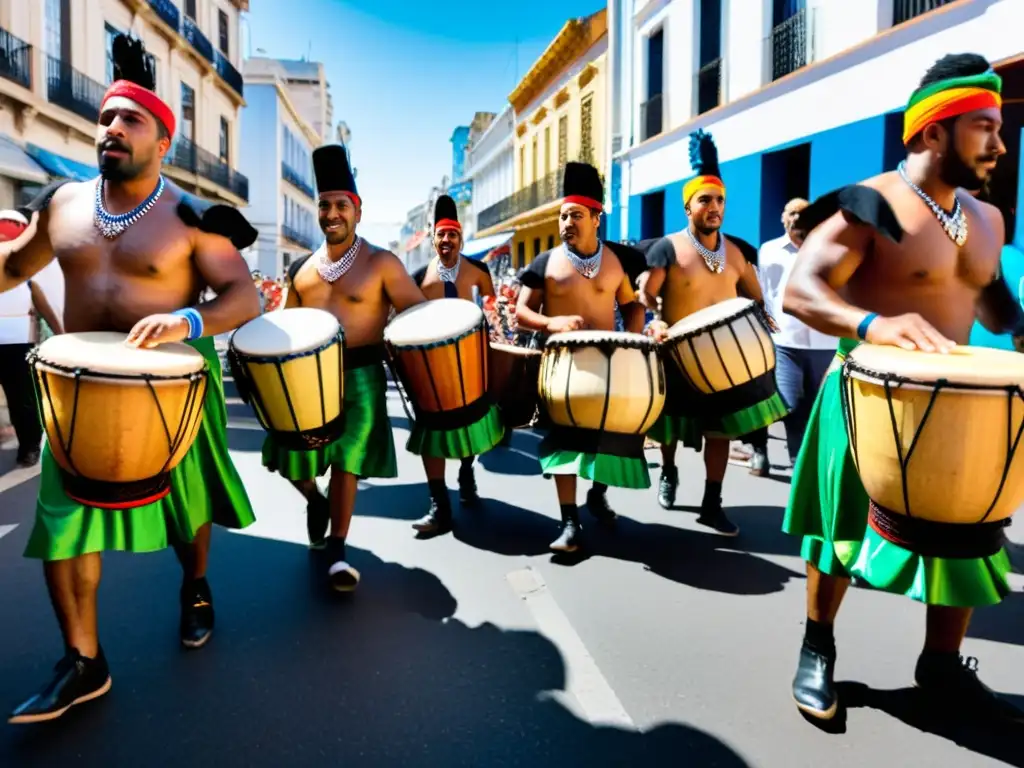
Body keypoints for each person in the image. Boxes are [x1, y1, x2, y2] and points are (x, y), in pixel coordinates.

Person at [0, 35, 261, 724]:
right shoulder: (60, 205)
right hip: (79, 385)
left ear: (163, 142)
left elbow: (243, 297)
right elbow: (10, 270)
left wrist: (188, 322)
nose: (111, 127)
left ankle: (195, 583)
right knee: (63, 524)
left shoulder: (192, 217)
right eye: (107, 117)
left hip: (173, 383)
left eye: (130, 119)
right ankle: (84, 660)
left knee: (187, 507)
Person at [782, 53, 1023, 723]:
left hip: (959, 404)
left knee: (971, 527)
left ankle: (940, 665)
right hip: (865, 394)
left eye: (998, 128)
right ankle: (817, 647)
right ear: (930, 133)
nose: (1000, 145)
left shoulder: (988, 218)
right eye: (983, 127)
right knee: (836, 535)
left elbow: (991, 300)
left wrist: (1021, 327)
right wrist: (871, 323)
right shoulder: (870, 204)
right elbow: (801, 291)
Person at [262, 144, 425, 588]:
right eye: (325, 206)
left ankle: (337, 547)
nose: (331, 213)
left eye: (341, 206)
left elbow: (419, 315)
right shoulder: (301, 269)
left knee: (346, 461)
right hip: (307, 380)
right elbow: (282, 326)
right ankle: (314, 500)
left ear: (357, 211)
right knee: (290, 459)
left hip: (362, 376)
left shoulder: (383, 263)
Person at [641, 130, 784, 535]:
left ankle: (712, 501)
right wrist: (657, 320)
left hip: (723, 357)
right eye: (705, 200)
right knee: (669, 427)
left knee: (719, 432)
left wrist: (765, 316)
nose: (714, 207)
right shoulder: (667, 248)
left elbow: (756, 296)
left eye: (719, 200)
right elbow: (646, 295)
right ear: (688, 206)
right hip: (677, 355)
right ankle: (668, 472)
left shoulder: (738, 251)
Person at [515, 162, 647, 553]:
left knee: (612, 434)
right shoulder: (545, 264)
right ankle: (569, 521)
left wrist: (633, 339)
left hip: (610, 363)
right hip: (563, 369)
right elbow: (522, 312)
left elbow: (632, 306)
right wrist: (551, 322)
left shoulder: (618, 262)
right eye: (562, 215)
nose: (565, 223)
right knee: (566, 441)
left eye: (574, 215)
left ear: (595, 217)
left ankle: (598, 493)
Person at [407, 195, 503, 535]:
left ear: (461, 238)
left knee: (469, 426)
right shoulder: (420, 277)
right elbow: (407, 320)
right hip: (433, 368)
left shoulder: (479, 271)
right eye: (441, 235)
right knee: (430, 431)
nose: (446, 241)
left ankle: (466, 469)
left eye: (452, 235)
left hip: (473, 363)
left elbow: (493, 310)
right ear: (433, 238)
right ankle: (439, 503)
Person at [756, 198, 837, 466]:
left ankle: (808, 464)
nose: (796, 218)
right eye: (791, 212)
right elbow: (766, 293)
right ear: (782, 217)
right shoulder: (768, 251)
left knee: (821, 409)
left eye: (802, 213)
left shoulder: (827, 248)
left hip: (825, 343)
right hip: (785, 342)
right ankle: (787, 458)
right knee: (787, 405)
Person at [0, 265, 64, 467]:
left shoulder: (24, 275)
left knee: (22, 399)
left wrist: (60, 332)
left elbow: (41, 304)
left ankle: (30, 447)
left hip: (18, 341)